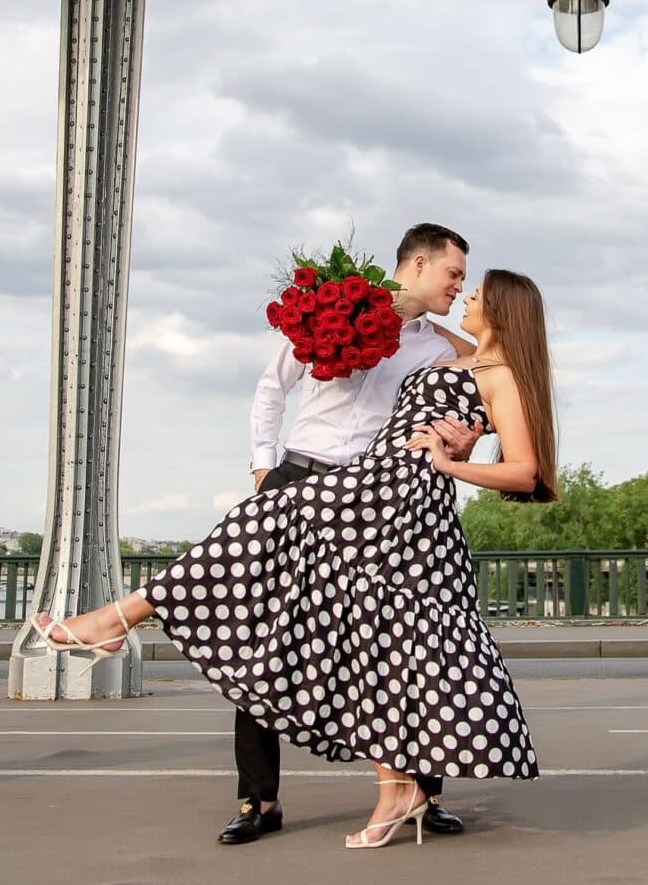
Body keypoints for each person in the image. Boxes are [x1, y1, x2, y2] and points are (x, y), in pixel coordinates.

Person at [33, 268, 557, 851]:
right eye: (459, 278)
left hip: (395, 496)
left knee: (255, 531)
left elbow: (525, 470)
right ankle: (393, 790)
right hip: (371, 486)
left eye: (477, 292)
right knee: (377, 638)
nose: (466, 294)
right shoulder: (454, 352)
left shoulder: (502, 374)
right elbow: (428, 328)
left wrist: (454, 459)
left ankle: (116, 620)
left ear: (502, 313)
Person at [230, 223, 476, 844]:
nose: (460, 287)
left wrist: (431, 330)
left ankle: (422, 793)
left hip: (374, 498)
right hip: (295, 477)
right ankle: (258, 801)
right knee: (261, 636)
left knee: (406, 638)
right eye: (453, 275)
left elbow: (495, 367)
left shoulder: (435, 348)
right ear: (418, 263)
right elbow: (270, 388)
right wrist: (264, 468)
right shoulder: (331, 307)